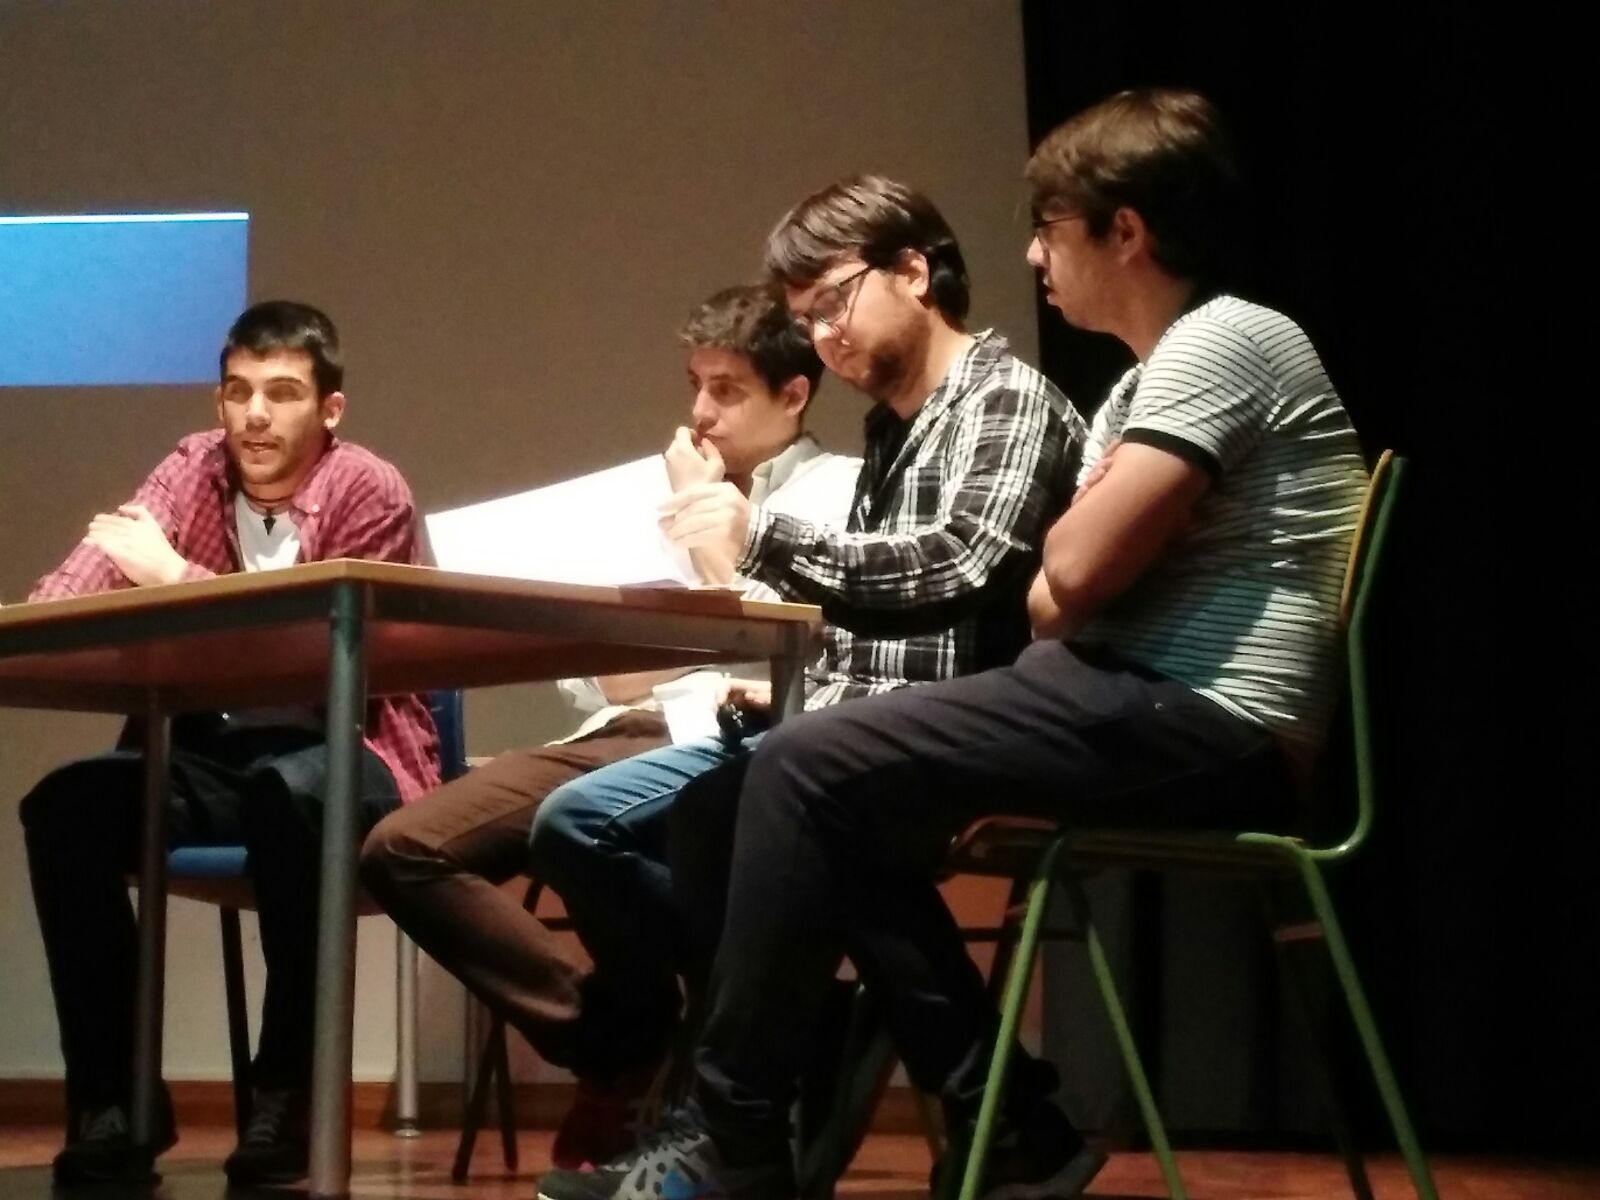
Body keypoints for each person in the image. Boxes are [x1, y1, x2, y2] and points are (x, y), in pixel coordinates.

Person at [536, 88, 1369, 1200]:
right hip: (1137, 691)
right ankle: (1010, 1129)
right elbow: (1056, 596)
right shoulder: (1141, 381)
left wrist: (764, 539)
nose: (1031, 253)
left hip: (1209, 716)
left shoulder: (1225, 340)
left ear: (1125, 230)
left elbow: (1057, 575)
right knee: (806, 799)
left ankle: (736, 1143)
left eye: (1050, 228)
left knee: (804, 769)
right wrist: (1082, 553)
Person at [525, 175, 1082, 1163]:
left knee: (794, 796)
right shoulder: (895, 427)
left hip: (984, 727)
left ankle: (739, 1127)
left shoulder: (1005, 398)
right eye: (807, 319)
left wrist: (758, 537)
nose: (823, 338)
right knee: (724, 806)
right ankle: (968, 1117)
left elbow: (960, 567)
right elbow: (869, 624)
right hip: (882, 729)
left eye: (833, 303)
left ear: (914, 272)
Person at [359, 283, 860, 1169]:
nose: (701, 414)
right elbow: (600, 675)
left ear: (793, 395)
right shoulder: (653, 494)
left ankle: (693, 1053)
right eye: (695, 386)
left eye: (728, 391)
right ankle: (623, 1044)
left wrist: (712, 554)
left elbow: (807, 655)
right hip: (616, 728)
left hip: (733, 733)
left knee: (583, 833)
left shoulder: (841, 493)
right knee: (403, 848)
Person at [18, 300, 439, 1186]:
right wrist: (74, 600)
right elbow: (74, 590)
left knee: (290, 795)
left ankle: (286, 1095)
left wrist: (173, 577)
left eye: (281, 393)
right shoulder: (192, 468)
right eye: (239, 392)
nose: (254, 415)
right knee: (66, 809)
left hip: (350, 748)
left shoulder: (369, 489)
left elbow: (325, 656)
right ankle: (117, 1103)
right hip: (213, 754)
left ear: (329, 409)